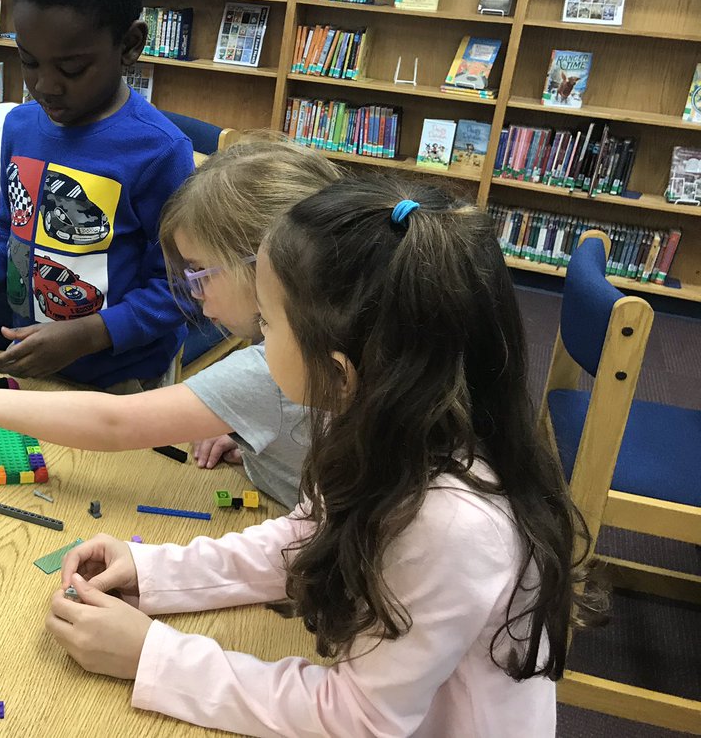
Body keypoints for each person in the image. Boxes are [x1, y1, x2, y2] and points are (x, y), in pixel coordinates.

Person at [44, 174, 604, 736]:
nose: (259, 339)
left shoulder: (449, 524)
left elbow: (359, 720)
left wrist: (153, 657)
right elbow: (306, 537)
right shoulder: (373, 415)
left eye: (267, 321)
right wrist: (156, 572)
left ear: (337, 368)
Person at [0, 139, 342, 505]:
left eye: (199, 272)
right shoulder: (341, 338)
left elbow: (113, 423)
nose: (192, 293)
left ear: (262, 265)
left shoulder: (269, 368)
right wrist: (256, 435)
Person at [0, 0, 195, 391]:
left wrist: (87, 335)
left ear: (129, 45)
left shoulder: (159, 152)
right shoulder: (19, 127)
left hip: (122, 382)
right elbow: (12, 233)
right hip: (31, 368)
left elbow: (182, 290)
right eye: (29, 61)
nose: (45, 86)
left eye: (72, 68)